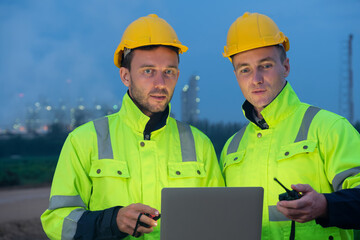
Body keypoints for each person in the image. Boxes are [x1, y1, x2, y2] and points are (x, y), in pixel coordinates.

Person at [41, 14, 224, 240]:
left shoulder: (200, 144)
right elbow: (57, 221)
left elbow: (218, 223)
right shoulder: (83, 140)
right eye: (148, 71)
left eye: (169, 71)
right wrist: (112, 221)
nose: (160, 83)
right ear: (125, 76)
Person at [220, 12, 360, 239]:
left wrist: (325, 205)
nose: (256, 78)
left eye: (265, 65)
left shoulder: (329, 128)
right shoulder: (231, 149)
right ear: (236, 75)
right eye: (245, 69)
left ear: (285, 67)